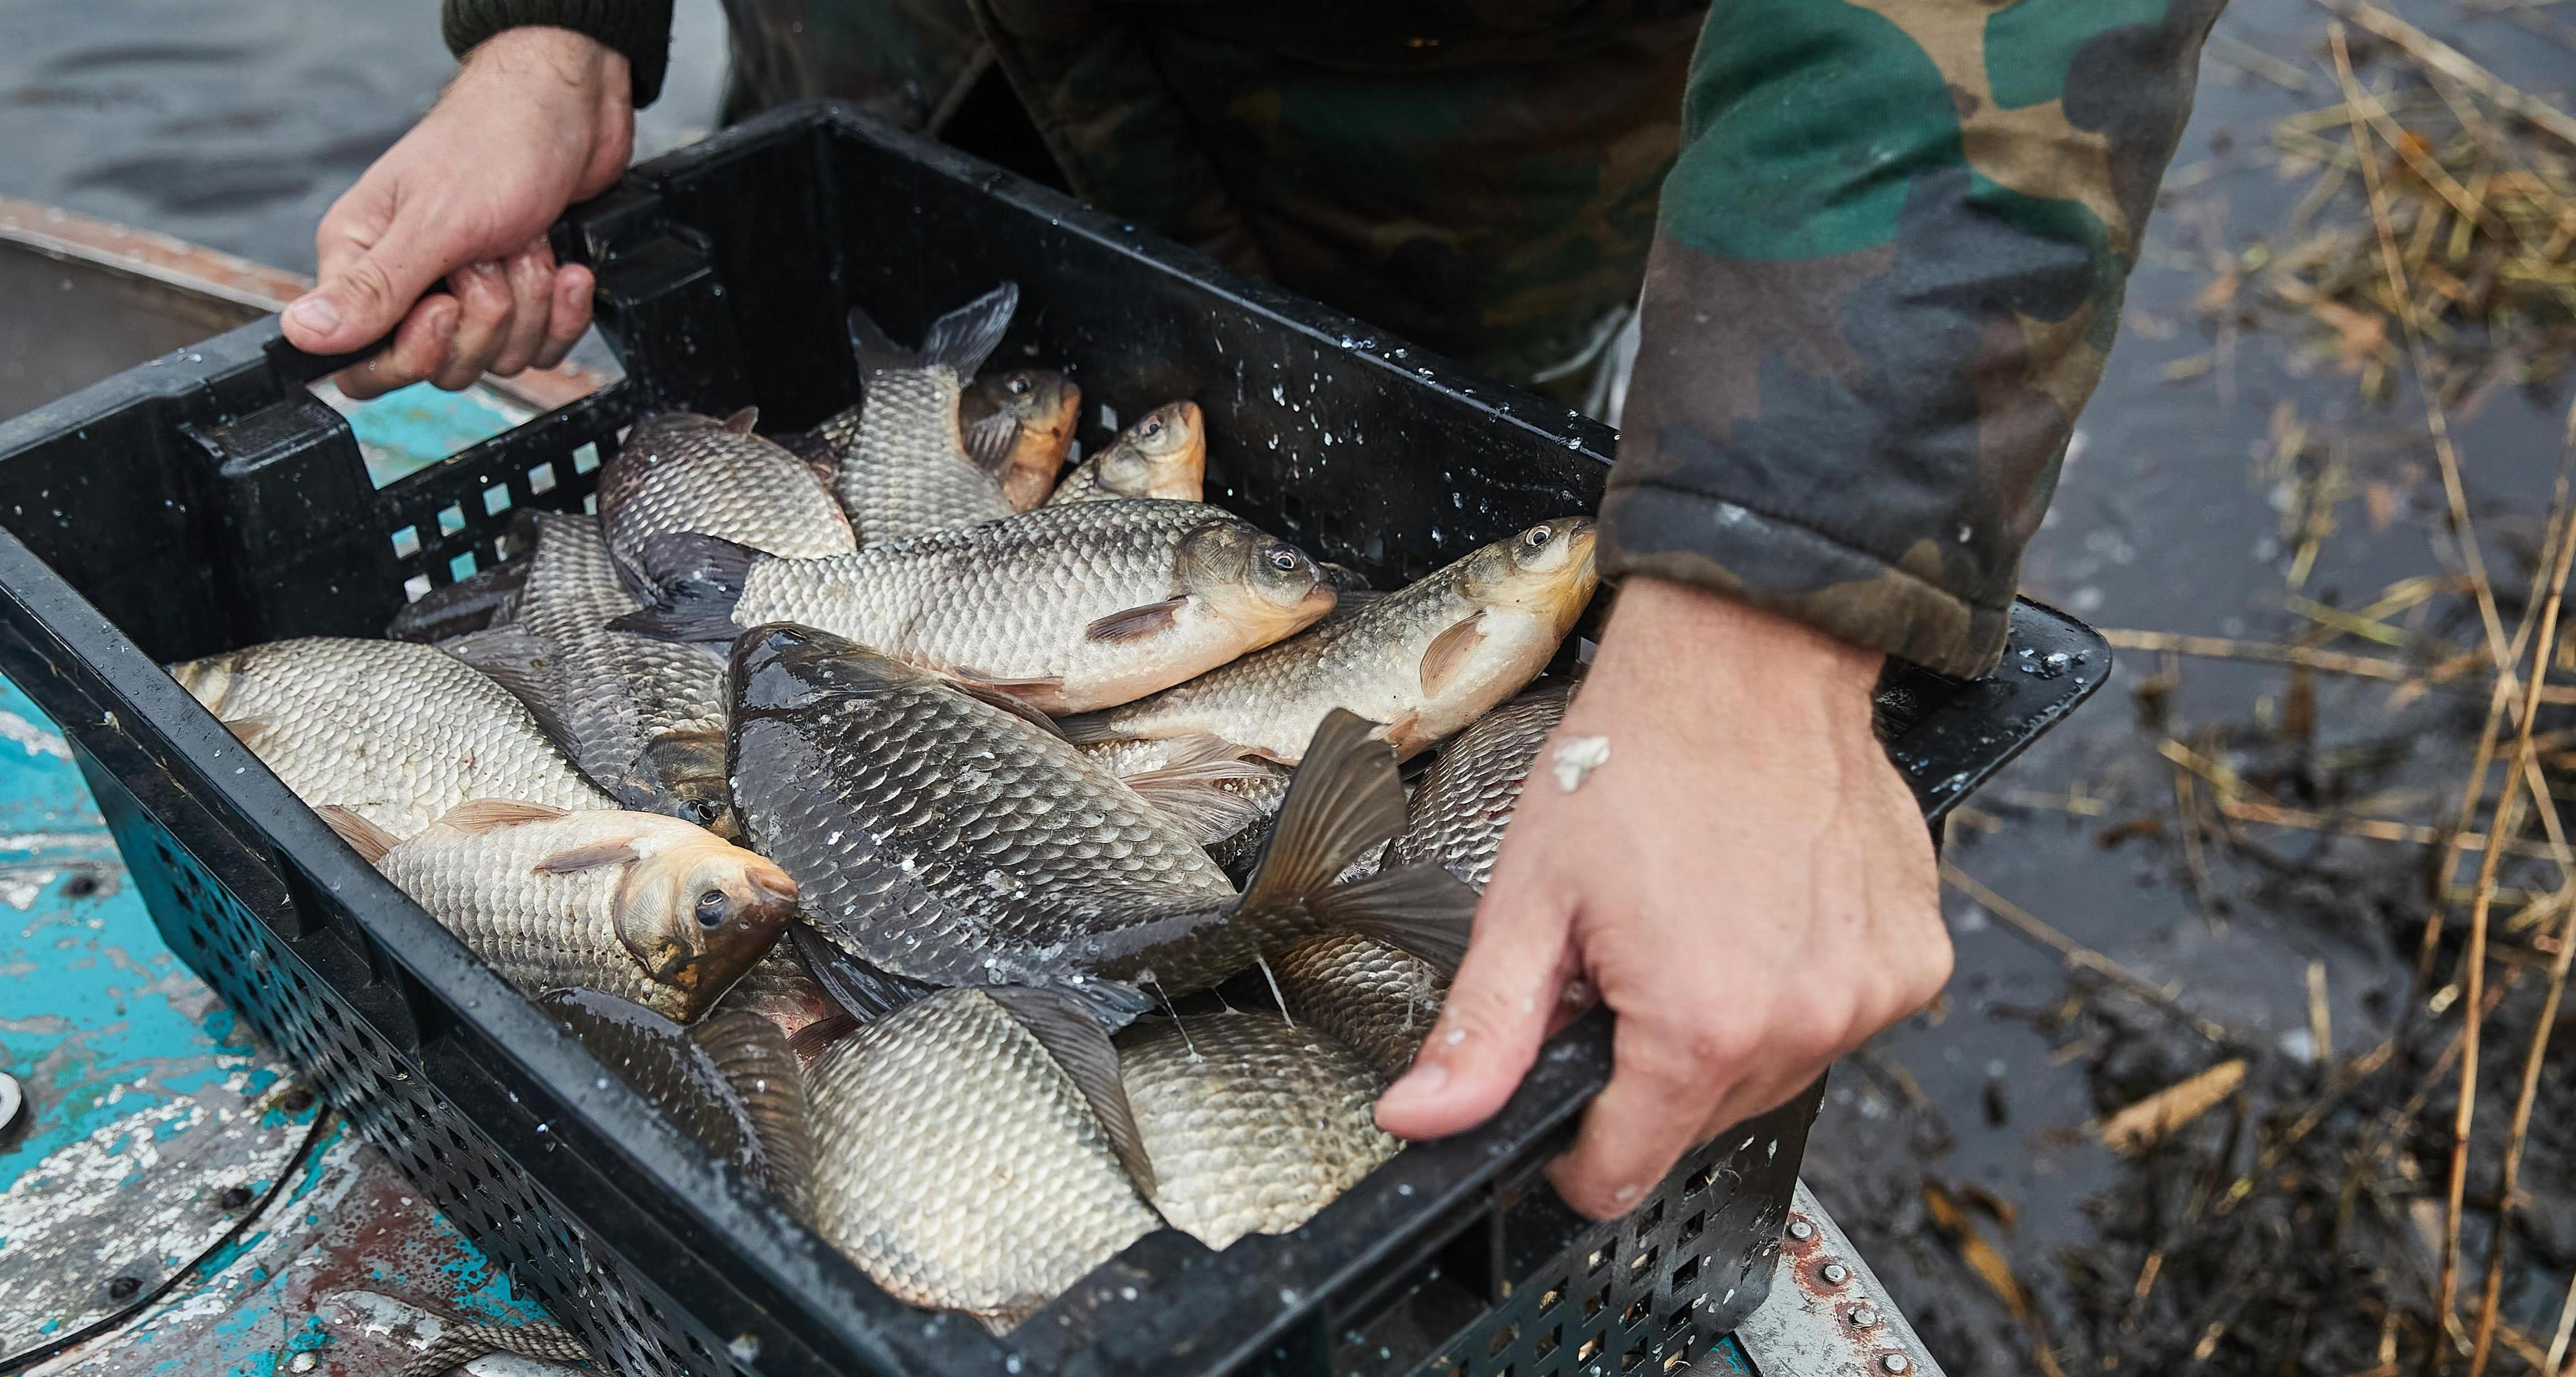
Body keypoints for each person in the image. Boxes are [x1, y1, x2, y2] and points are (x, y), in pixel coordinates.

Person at [286, 0, 2220, 1219]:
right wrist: (551, 37)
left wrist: (1766, 617)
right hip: (887, 66)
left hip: (1415, 171)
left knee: (1435, 487)